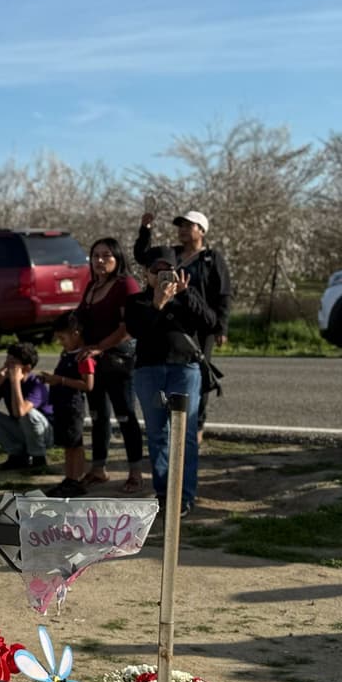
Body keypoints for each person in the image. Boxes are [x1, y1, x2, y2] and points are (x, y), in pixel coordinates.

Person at [124, 246, 218, 517]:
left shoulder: (188, 296)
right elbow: (136, 329)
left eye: (168, 271)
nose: (162, 276)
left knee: (186, 435)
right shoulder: (137, 301)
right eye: (156, 271)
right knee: (158, 435)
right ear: (146, 274)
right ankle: (165, 494)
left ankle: (184, 496)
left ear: (178, 272)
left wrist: (186, 293)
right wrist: (158, 303)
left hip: (184, 369)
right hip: (149, 372)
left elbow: (210, 323)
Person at [135, 208, 231, 437]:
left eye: (189, 226)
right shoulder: (173, 255)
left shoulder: (211, 258)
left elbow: (224, 294)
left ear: (202, 231)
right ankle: (173, 424)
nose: (183, 231)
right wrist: (145, 229)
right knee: (175, 371)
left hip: (202, 323)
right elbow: (142, 257)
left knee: (201, 370)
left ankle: (197, 423)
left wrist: (221, 327)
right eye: (181, 226)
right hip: (175, 321)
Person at [75, 238, 144, 493]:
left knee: (125, 414)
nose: (100, 261)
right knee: (97, 416)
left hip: (119, 360)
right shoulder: (92, 286)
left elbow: (128, 328)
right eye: (95, 256)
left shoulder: (126, 285)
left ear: (117, 259)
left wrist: (100, 347)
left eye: (106, 256)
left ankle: (136, 471)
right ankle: (98, 469)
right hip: (93, 360)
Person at [40, 313, 96, 496]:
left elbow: (87, 385)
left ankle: (76, 478)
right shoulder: (67, 354)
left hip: (73, 405)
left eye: (63, 338)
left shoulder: (83, 357)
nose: (60, 342)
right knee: (67, 444)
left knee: (75, 444)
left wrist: (60, 380)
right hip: (61, 404)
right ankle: (69, 477)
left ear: (76, 334)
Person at [0, 342, 53, 471]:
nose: (7, 366)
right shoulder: (5, 381)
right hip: (21, 430)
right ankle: (17, 454)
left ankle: (38, 457)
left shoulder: (36, 385)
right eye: (7, 361)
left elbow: (20, 412)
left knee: (27, 413)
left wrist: (15, 381)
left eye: (12, 363)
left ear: (26, 368)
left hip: (44, 436)